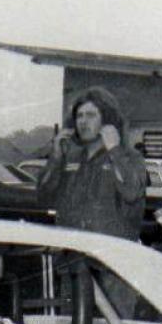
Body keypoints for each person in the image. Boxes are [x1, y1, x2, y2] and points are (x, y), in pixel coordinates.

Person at [37, 86, 148, 240]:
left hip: (110, 248)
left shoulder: (130, 157)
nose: (83, 121)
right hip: (72, 248)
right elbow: (43, 198)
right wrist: (56, 158)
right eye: (79, 116)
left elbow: (132, 192)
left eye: (91, 115)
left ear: (107, 120)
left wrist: (114, 151)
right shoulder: (70, 158)